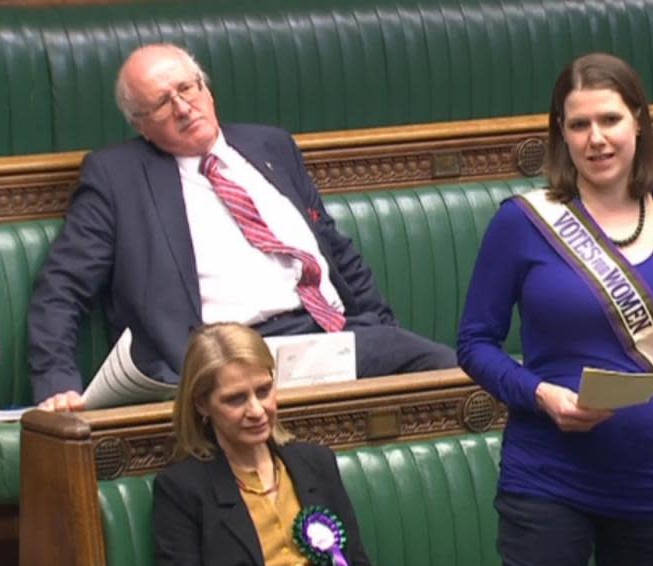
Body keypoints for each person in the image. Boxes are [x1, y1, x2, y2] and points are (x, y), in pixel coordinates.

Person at [29, 43, 455, 411]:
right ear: (140, 124)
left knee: (452, 372)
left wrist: (378, 323)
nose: (182, 107)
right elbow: (62, 288)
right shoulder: (117, 177)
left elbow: (333, 246)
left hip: (330, 334)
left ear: (205, 87)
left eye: (186, 89)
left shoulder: (269, 145)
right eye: (161, 103)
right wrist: (58, 384)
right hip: (228, 356)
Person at [457, 52, 653, 566]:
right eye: (579, 124)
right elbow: (474, 344)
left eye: (609, 120)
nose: (596, 139)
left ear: (639, 120)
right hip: (548, 476)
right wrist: (541, 394)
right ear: (560, 134)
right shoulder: (522, 222)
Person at [153, 322, 380, 566]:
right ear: (202, 404)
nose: (257, 410)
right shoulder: (181, 489)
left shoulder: (316, 462)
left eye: (263, 391)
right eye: (236, 399)